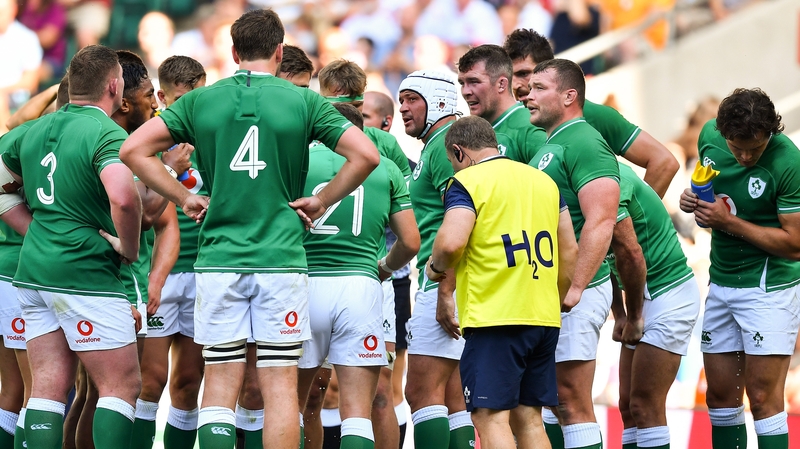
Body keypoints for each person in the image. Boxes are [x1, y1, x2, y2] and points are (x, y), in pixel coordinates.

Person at [120, 9, 381, 449]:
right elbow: (367, 156)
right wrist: (321, 200)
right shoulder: (303, 101)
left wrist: (184, 197)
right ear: (280, 52)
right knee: (279, 385)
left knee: (219, 383)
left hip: (219, 259)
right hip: (280, 259)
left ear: (235, 51)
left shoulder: (202, 100)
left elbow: (134, 149)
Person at [0, 44, 142, 449]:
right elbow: (124, 197)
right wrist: (128, 247)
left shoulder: (32, 130)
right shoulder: (105, 131)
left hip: (34, 272)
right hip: (85, 273)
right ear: (114, 86)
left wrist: (33, 229)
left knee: (47, 385)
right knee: (121, 385)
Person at [425, 115, 577, 448]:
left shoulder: (468, 182)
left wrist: (434, 268)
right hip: (542, 316)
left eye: (453, 163)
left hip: (495, 317)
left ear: (459, 152)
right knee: (530, 419)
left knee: (489, 417)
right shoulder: (543, 181)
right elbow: (570, 250)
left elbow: (451, 243)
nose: (455, 170)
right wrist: (553, 300)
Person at [679, 88, 800, 449]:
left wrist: (728, 222)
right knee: (719, 398)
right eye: (737, 148)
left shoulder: (789, 162)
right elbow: (712, 203)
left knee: (762, 401)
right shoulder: (708, 140)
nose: (746, 156)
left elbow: (795, 245)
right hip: (721, 282)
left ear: (771, 133)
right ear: (722, 133)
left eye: (755, 148)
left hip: (770, 288)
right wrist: (695, 201)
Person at [297, 101, 419, 449]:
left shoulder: (299, 162)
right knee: (357, 413)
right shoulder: (386, 169)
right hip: (361, 288)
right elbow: (410, 241)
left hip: (305, 285)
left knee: (292, 404)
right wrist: (384, 267)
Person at [526, 58, 620, 449]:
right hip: (553, 289)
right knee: (549, 401)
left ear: (569, 96)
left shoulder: (583, 140)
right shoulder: (554, 142)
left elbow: (602, 219)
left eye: (538, 89)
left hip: (577, 290)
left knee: (570, 399)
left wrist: (577, 286)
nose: (528, 96)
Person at [502, 28, 680, 198]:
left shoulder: (592, 114)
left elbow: (663, 162)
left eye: (524, 73)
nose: (516, 84)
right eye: (511, 76)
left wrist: (640, 221)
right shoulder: (505, 126)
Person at [130, 55, 205, 449]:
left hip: (203, 269)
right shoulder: (147, 139)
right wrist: (172, 171)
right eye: (182, 99)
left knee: (188, 381)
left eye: (199, 96)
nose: (192, 107)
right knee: (150, 379)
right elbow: (146, 214)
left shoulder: (213, 136)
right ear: (162, 96)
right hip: (156, 273)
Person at [399, 70, 475, 449]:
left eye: (412, 99)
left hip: (445, 279)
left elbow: (459, 220)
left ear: (438, 99)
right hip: (457, 280)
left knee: (420, 392)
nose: (403, 108)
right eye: (401, 101)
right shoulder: (436, 145)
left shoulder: (446, 146)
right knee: (453, 396)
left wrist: (446, 290)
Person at [609, 164, 700, 449]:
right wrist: (620, 315)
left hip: (669, 294)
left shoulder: (610, 180)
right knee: (627, 407)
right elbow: (604, 257)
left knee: (645, 406)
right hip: (638, 297)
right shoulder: (582, 179)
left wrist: (631, 314)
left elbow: (631, 255)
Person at [363, 89, 416, 443]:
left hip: (390, 282)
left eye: (364, 116)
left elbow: (413, 233)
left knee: (386, 384)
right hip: (347, 279)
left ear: (386, 121)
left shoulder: (405, 169)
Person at [456, 44, 546, 165]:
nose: (466, 91)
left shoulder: (529, 128)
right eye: (462, 83)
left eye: (474, 82)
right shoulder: (471, 133)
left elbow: (554, 182)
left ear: (501, 84)